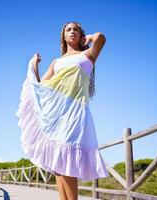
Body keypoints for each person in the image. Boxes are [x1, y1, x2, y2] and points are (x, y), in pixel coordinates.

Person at [16, 21, 108, 200]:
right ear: (63, 36)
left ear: (80, 34)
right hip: (57, 115)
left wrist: (87, 38)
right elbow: (40, 87)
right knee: (59, 164)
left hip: (76, 113)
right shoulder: (56, 62)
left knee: (67, 162)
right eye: (69, 29)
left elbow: (100, 38)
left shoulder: (87, 55)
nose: (72, 31)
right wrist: (34, 64)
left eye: (76, 29)